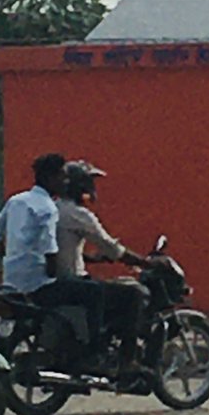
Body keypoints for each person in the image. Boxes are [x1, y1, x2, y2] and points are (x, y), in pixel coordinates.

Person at [0, 152, 104, 353]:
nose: (66, 182)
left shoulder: (16, 200)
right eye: (62, 177)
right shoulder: (48, 208)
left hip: (11, 282)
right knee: (95, 291)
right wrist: (54, 272)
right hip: (38, 286)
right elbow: (49, 248)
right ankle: (92, 351)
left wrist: (9, 258)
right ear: (50, 178)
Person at [56, 160, 150, 376]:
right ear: (80, 186)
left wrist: (93, 259)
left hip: (57, 278)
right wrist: (145, 262)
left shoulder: (53, 209)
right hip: (72, 281)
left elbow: (63, 249)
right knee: (134, 294)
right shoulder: (79, 215)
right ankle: (126, 360)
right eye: (89, 182)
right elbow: (111, 247)